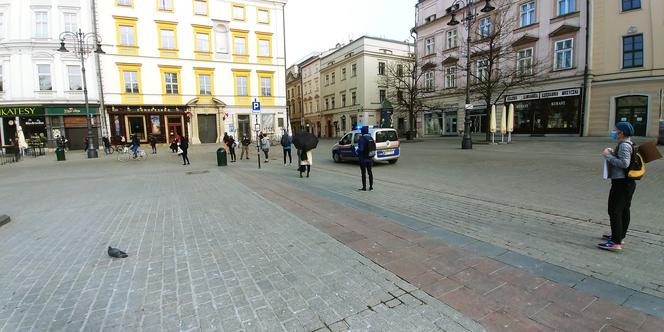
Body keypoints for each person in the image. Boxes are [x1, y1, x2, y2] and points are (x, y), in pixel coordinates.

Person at [598, 122, 637, 251]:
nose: (614, 132)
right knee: (624, 209)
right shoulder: (628, 143)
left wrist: (608, 156)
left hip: (622, 183)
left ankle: (615, 242)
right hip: (627, 183)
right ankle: (619, 235)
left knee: (614, 210)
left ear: (622, 133)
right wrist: (613, 152)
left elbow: (624, 163)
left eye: (616, 130)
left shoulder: (625, 145)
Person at [356, 126, 374, 191]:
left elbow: (360, 149)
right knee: (370, 172)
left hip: (363, 159)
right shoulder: (370, 138)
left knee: (363, 173)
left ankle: (364, 187)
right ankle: (371, 186)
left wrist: (357, 150)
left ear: (362, 131)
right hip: (370, 158)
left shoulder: (362, 139)